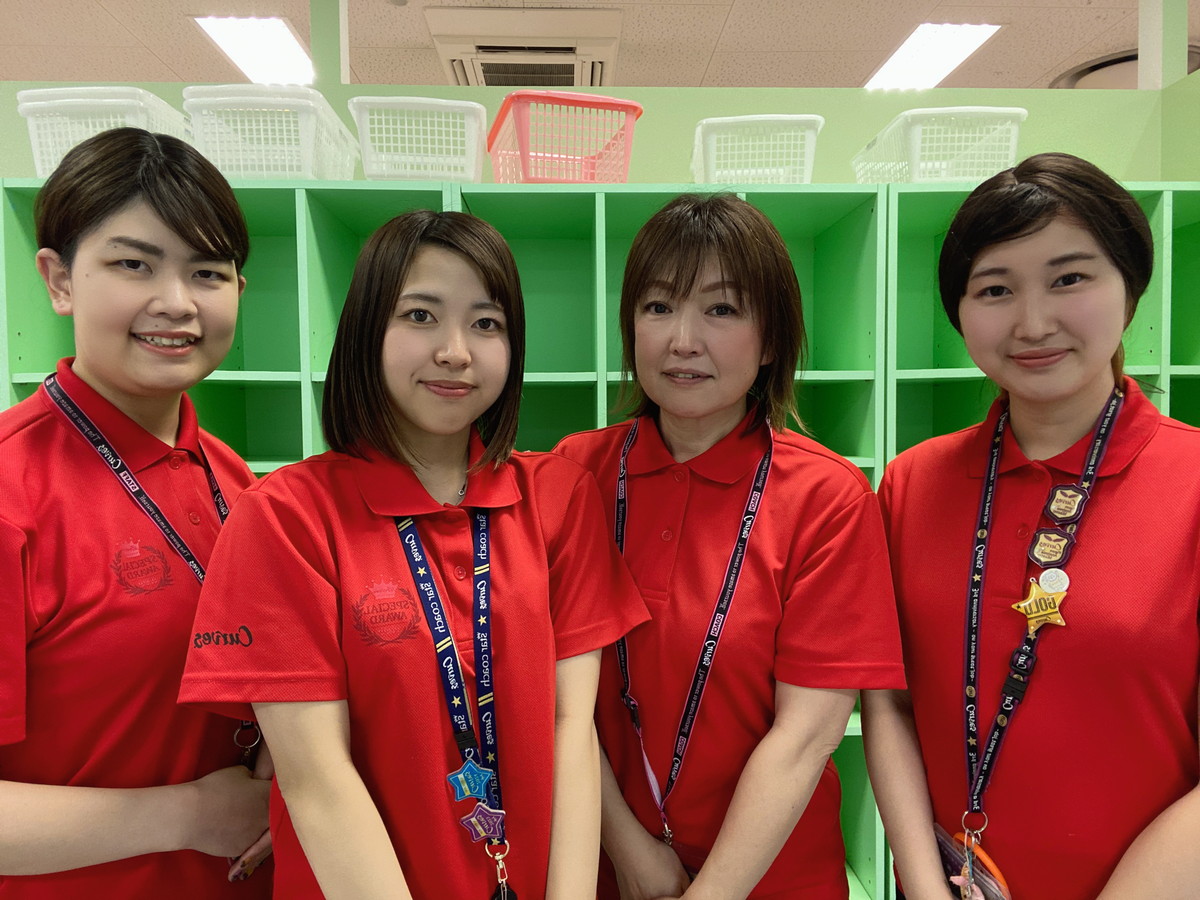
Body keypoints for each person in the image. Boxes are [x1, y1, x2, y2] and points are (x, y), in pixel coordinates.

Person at [179, 208, 648, 900]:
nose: (456, 351)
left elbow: (571, 727)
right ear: (367, 329)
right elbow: (317, 779)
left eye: (486, 323)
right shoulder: (285, 517)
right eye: (421, 316)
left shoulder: (559, 497)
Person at [864, 152, 1200, 900]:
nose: (1033, 323)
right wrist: (924, 885)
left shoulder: (1192, 482)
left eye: (1069, 278)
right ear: (959, 311)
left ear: (1130, 287)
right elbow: (890, 702)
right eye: (995, 289)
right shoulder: (912, 484)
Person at [554, 192, 906, 900]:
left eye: (721, 309)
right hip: (601, 868)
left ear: (771, 340)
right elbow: (560, 703)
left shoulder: (828, 498)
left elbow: (805, 736)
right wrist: (629, 852)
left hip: (773, 879)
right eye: (658, 307)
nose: (683, 340)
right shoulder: (573, 473)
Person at [0, 128, 270, 896]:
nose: (177, 303)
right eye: (134, 264)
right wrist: (185, 814)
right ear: (58, 280)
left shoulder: (232, 479)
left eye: (207, 272)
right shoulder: (13, 493)